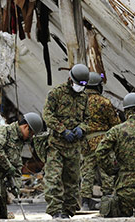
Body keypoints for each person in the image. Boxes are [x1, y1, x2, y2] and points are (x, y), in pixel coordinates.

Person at [43, 63, 90, 218]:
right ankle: (55, 210)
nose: (80, 87)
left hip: (74, 146)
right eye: (78, 84)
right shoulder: (56, 93)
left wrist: (81, 128)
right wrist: (62, 130)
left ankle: (67, 211)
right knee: (54, 178)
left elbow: (89, 119)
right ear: (71, 79)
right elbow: (48, 115)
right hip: (56, 145)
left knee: (73, 180)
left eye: (83, 85)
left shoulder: (84, 97)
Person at [0, 112, 43, 219]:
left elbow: (16, 165)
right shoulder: (4, 131)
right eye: (31, 134)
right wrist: (8, 167)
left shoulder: (19, 141)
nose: (31, 137)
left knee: (3, 216)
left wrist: (16, 185)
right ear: (26, 127)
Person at [80, 72, 120, 210]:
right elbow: (115, 123)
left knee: (87, 172)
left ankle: (85, 202)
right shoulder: (105, 102)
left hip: (86, 142)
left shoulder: (80, 101)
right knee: (106, 171)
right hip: (104, 141)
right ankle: (107, 200)